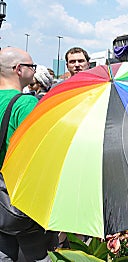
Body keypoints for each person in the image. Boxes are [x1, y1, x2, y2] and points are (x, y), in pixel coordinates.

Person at [0, 47, 58, 261]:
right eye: (32, 66)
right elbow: (43, 152)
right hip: (21, 200)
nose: (34, 71)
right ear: (18, 69)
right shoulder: (25, 104)